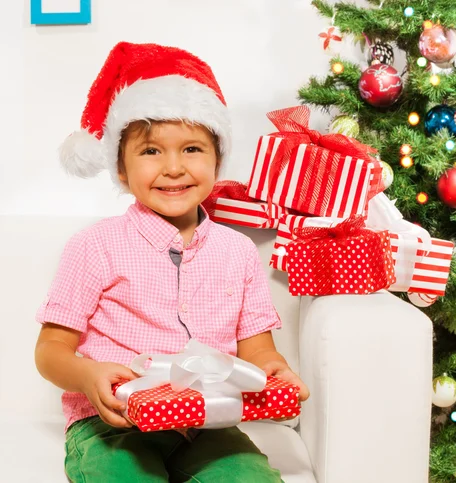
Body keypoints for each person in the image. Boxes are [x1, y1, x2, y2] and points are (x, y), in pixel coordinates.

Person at [34, 41, 309, 483]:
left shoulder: (237, 252)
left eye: (193, 149)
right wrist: (88, 375)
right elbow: (50, 351)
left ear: (218, 159)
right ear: (120, 168)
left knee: (251, 478)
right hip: (112, 423)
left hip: (205, 423)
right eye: (150, 151)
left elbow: (256, 349)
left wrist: (272, 370)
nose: (174, 168)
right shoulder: (94, 246)